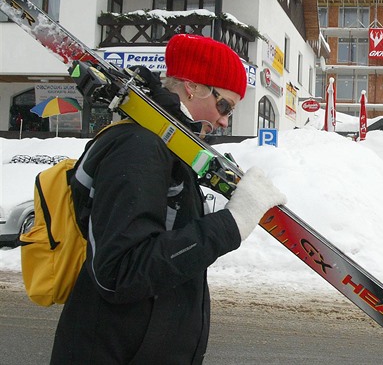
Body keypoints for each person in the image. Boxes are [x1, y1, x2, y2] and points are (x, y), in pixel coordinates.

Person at [50, 34, 287, 364]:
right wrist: (231, 224)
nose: (224, 120)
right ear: (192, 86)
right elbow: (120, 272)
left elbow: (163, 244)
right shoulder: (140, 145)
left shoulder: (171, 148)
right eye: (225, 106)